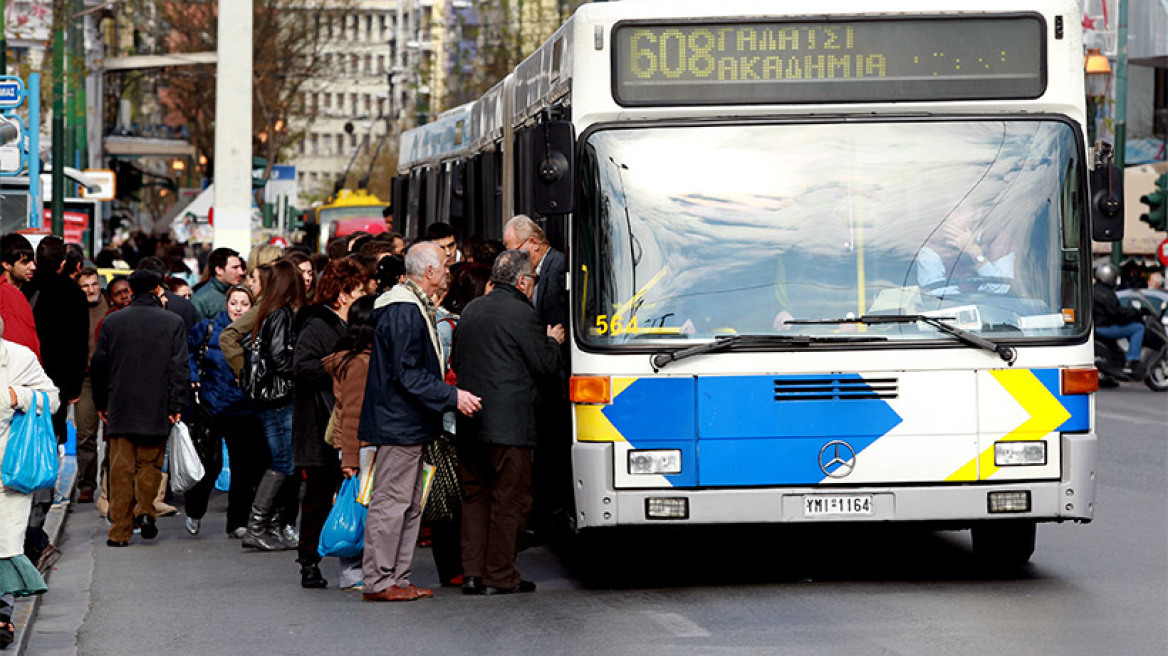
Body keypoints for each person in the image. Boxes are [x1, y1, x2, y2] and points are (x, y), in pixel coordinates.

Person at [358, 242, 481, 602]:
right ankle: (381, 580)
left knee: (408, 504)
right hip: (401, 423)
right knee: (394, 503)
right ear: (428, 272)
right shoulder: (404, 309)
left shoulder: (407, 306)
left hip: (407, 422)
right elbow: (406, 373)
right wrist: (452, 396)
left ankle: (394, 577)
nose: (448, 270)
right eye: (444, 265)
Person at [450, 250, 564, 595]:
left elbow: (458, 357)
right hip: (510, 427)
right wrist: (553, 342)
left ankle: (471, 573)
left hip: (471, 422)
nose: (532, 287)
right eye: (532, 280)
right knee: (510, 501)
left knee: (475, 499)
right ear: (521, 281)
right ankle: (500, 575)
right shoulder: (523, 313)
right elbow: (544, 364)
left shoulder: (471, 310)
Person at [90, 270, 188, 547]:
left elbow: (99, 365)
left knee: (121, 468)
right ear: (158, 289)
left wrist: (102, 402)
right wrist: (176, 404)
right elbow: (179, 368)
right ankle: (145, 510)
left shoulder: (114, 322)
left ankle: (119, 531)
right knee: (150, 464)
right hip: (156, 404)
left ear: (131, 291)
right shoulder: (173, 322)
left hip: (120, 404)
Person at [291, 259, 368, 588]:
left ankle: (348, 557)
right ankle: (309, 559)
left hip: (338, 421)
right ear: (342, 293)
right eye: (359, 290)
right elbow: (302, 367)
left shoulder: (349, 324)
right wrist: (339, 367)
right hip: (319, 422)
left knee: (346, 492)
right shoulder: (319, 326)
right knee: (319, 495)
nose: (364, 295)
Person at [22, 236, 87, 570]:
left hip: (23, 383)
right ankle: (35, 523)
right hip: (57, 386)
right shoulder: (72, 294)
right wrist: (73, 386)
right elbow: (78, 343)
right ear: (64, 263)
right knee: (53, 447)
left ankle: (29, 525)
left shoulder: (25, 291)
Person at [184, 285, 263, 537]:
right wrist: (193, 375)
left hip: (245, 409)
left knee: (244, 469)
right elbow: (186, 351)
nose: (238, 309)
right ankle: (194, 511)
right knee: (209, 463)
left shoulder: (257, 332)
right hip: (211, 406)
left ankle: (238, 523)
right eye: (233, 303)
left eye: (244, 304)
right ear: (226, 304)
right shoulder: (208, 328)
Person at [0, 316, 59, 648]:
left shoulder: (20, 358)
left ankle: (3, 613)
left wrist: (15, 395)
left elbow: (50, 399)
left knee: (6, 544)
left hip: (10, 472)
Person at [242, 260, 305, 552]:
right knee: (283, 462)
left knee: (283, 461)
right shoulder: (280, 314)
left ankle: (266, 526)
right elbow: (279, 359)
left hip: (269, 399)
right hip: (279, 399)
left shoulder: (269, 312)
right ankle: (258, 526)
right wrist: (301, 368)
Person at [322, 295, 377, 590]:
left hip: (355, 445)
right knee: (360, 507)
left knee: (360, 506)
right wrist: (351, 460)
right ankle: (354, 571)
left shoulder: (351, 358)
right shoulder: (359, 362)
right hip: (361, 446)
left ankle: (357, 569)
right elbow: (353, 412)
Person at [73, 268, 110, 504]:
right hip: (85, 379)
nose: (91, 290)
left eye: (94, 284)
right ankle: (86, 484)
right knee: (85, 433)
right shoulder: (75, 309)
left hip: (109, 377)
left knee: (113, 435)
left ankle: (109, 481)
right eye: (85, 286)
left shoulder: (110, 305)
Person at [915, 209, 1014, 296]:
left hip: (997, 310)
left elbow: (1001, 288)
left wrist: (975, 253)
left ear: (977, 214)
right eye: (947, 211)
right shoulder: (932, 244)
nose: (950, 217)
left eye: (959, 211)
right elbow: (936, 292)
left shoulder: (997, 239)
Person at [1094, 261, 1148, 377]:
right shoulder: (1106, 294)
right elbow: (1116, 313)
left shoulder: (1095, 290)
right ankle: (1132, 360)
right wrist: (1134, 312)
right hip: (1104, 327)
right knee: (1138, 328)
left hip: (1098, 326)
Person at [0, 235, 39, 361]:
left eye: (32, 261)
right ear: (6, 264)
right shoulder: (6, 294)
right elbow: (21, 341)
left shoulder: (23, 290)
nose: (32, 266)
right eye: (25, 262)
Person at [192, 247, 244, 320]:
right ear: (219, 270)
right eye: (235, 268)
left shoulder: (242, 291)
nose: (241, 272)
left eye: (241, 267)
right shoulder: (200, 299)